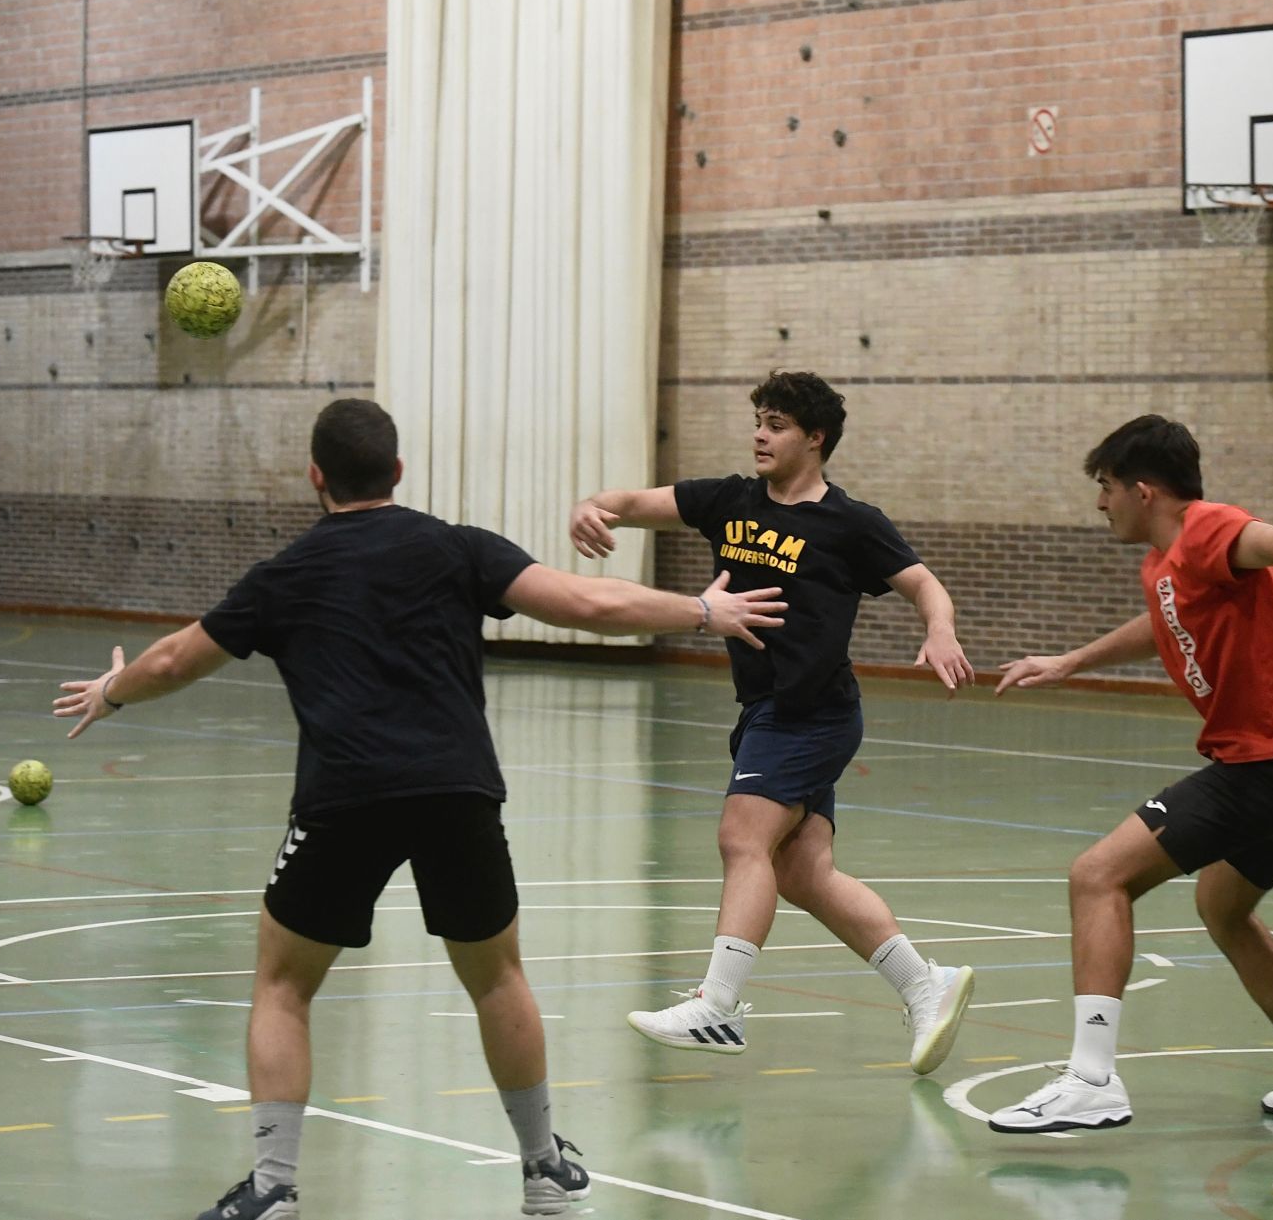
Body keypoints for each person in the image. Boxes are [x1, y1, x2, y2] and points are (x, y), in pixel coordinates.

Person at [53, 398, 786, 1220]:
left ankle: (273, 1188)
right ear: (398, 471)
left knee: (283, 985)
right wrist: (701, 609)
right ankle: (543, 1170)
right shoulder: (456, 547)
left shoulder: (284, 574)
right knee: (498, 977)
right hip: (457, 795)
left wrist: (112, 689)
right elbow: (590, 604)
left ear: (315, 475)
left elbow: (176, 657)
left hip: (344, 800)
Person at [569, 370, 978, 1073]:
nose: (761, 432)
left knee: (741, 837)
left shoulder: (850, 523)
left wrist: (939, 627)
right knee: (803, 871)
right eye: (759, 418)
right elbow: (638, 500)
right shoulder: (728, 501)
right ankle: (924, 983)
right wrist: (595, 505)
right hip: (765, 708)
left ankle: (718, 1003)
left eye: (778, 423)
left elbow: (922, 582)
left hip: (812, 712)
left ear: (815, 439)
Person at [984, 415, 1273, 1134]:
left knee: (1098, 875)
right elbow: (1162, 621)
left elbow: (1265, 539)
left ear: (1144, 489)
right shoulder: (1164, 563)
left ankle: (1091, 1078)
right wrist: (1068, 661)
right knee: (1223, 908)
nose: (1101, 503)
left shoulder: (1207, 528)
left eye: (1106, 487)